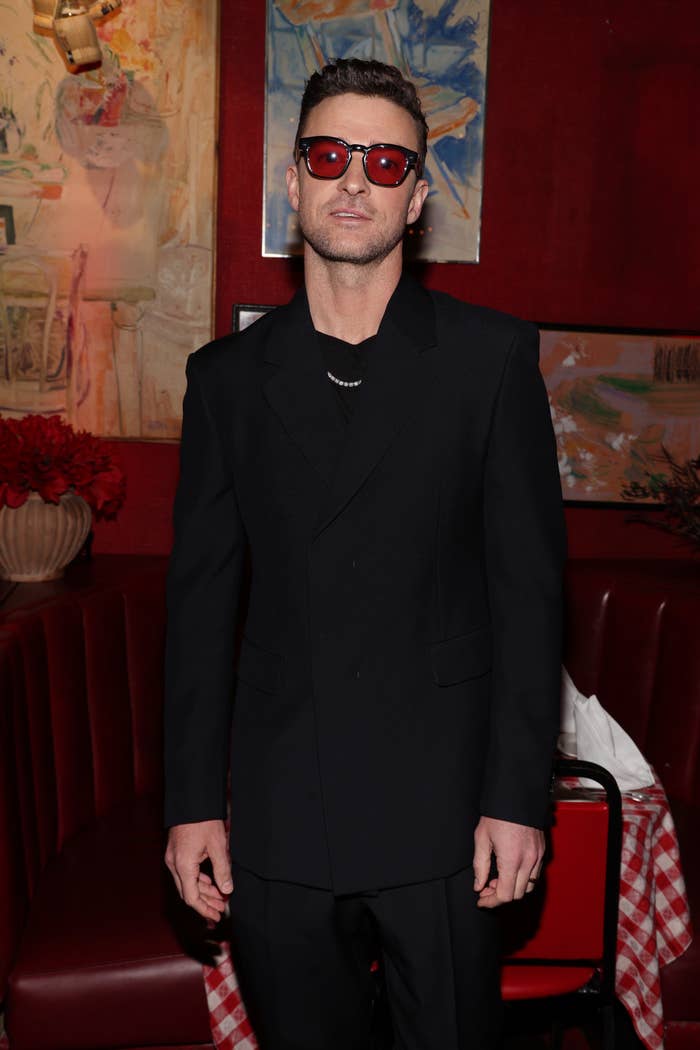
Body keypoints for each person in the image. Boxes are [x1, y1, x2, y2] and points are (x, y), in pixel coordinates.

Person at [164, 58, 566, 1050]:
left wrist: (518, 801)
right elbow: (200, 607)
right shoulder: (225, 380)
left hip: (443, 813)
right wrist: (187, 807)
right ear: (291, 182)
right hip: (279, 808)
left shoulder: (491, 361)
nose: (355, 180)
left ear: (418, 197)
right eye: (329, 155)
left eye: (386, 163)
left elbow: (530, 598)